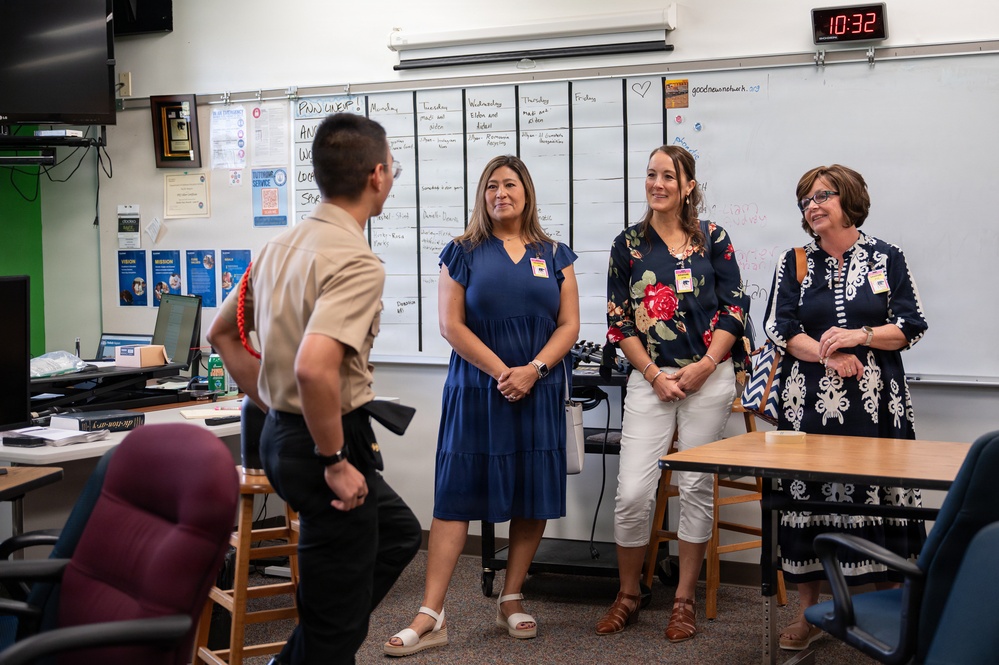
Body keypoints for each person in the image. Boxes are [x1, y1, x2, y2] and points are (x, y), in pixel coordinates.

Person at [207, 113, 421, 665]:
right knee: (335, 630)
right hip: (324, 444)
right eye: (392, 167)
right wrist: (332, 459)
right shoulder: (356, 261)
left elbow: (221, 333)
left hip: (281, 435)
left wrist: (274, 402)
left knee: (397, 533)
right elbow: (314, 368)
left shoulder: (277, 246)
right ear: (377, 175)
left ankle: (304, 647)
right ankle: (316, 646)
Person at [384, 155, 579, 656]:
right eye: (491, 186)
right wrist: (504, 373)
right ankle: (431, 613)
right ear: (482, 195)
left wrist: (533, 371)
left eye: (510, 184)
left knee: (531, 492)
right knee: (455, 495)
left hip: (537, 389)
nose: (500, 194)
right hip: (477, 388)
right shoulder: (462, 251)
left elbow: (569, 325)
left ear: (526, 192)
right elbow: (450, 325)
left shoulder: (555, 254)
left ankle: (511, 598)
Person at [762, 164, 928, 651]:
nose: (812, 206)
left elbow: (911, 326)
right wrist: (827, 355)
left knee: (881, 498)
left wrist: (861, 336)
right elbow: (780, 327)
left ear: (848, 199)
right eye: (805, 200)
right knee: (808, 500)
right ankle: (808, 615)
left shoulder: (887, 257)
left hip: (878, 409)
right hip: (808, 407)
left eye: (822, 196)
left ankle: (891, 613)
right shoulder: (794, 261)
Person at [600, 145, 749, 642]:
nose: (657, 184)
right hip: (651, 380)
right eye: (651, 174)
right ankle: (628, 594)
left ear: (688, 186)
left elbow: (734, 307)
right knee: (632, 493)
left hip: (708, 378)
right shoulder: (628, 244)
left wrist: (706, 366)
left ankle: (683, 600)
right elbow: (619, 321)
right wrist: (652, 374)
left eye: (668, 176)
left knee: (695, 488)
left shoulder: (713, 237)